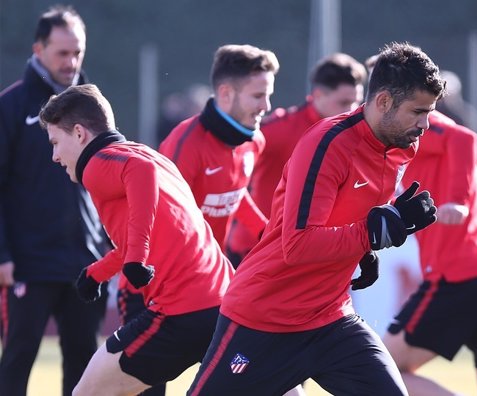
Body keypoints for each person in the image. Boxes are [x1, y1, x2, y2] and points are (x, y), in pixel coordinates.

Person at [186, 41, 445, 395]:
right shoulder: (328, 144)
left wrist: (364, 251)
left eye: (429, 111)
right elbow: (298, 244)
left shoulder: (402, 145)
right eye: (418, 111)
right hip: (264, 317)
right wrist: (372, 234)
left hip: (331, 319)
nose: (426, 123)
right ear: (384, 101)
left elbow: (350, 216)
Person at [39, 83, 232, 395]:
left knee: (86, 392)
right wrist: (97, 272)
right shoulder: (149, 155)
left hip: (182, 312)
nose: (55, 156)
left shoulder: (98, 163)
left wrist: (136, 257)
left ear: (79, 133)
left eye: (55, 142)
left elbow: (139, 174)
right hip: (226, 303)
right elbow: (153, 231)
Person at [0, 6, 111, 395]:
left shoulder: (95, 108)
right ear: (39, 49)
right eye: (62, 53)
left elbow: (114, 178)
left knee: (84, 367)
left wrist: (111, 248)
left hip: (85, 262)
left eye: (77, 52)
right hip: (27, 265)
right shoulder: (11, 106)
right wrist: (3, 256)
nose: (72, 61)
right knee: (16, 361)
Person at [382, 108, 477, 396]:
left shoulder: (418, 125)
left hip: (458, 274)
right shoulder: (398, 143)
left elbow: (464, 137)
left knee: (381, 369)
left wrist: (457, 200)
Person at [226, 52, 367, 263]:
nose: (352, 110)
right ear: (318, 95)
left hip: (312, 252)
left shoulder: (356, 136)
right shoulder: (279, 130)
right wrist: (261, 227)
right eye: (344, 102)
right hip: (257, 251)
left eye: (356, 102)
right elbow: (228, 172)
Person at [159, 44, 279, 256]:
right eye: (258, 96)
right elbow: (162, 217)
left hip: (215, 267)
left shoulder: (255, 141)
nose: (266, 106)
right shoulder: (185, 143)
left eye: (268, 95)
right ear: (225, 93)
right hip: (174, 274)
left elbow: (231, 193)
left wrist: (266, 232)